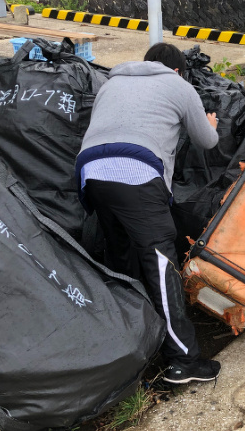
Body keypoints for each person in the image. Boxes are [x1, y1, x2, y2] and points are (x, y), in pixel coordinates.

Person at [76, 43, 221, 384]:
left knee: (121, 259)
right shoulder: (178, 85)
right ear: (178, 70)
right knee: (160, 264)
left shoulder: (111, 82)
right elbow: (208, 141)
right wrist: (210, 122)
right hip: (136, 175)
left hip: (90, 174)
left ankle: (130, 350)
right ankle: (183, 361)